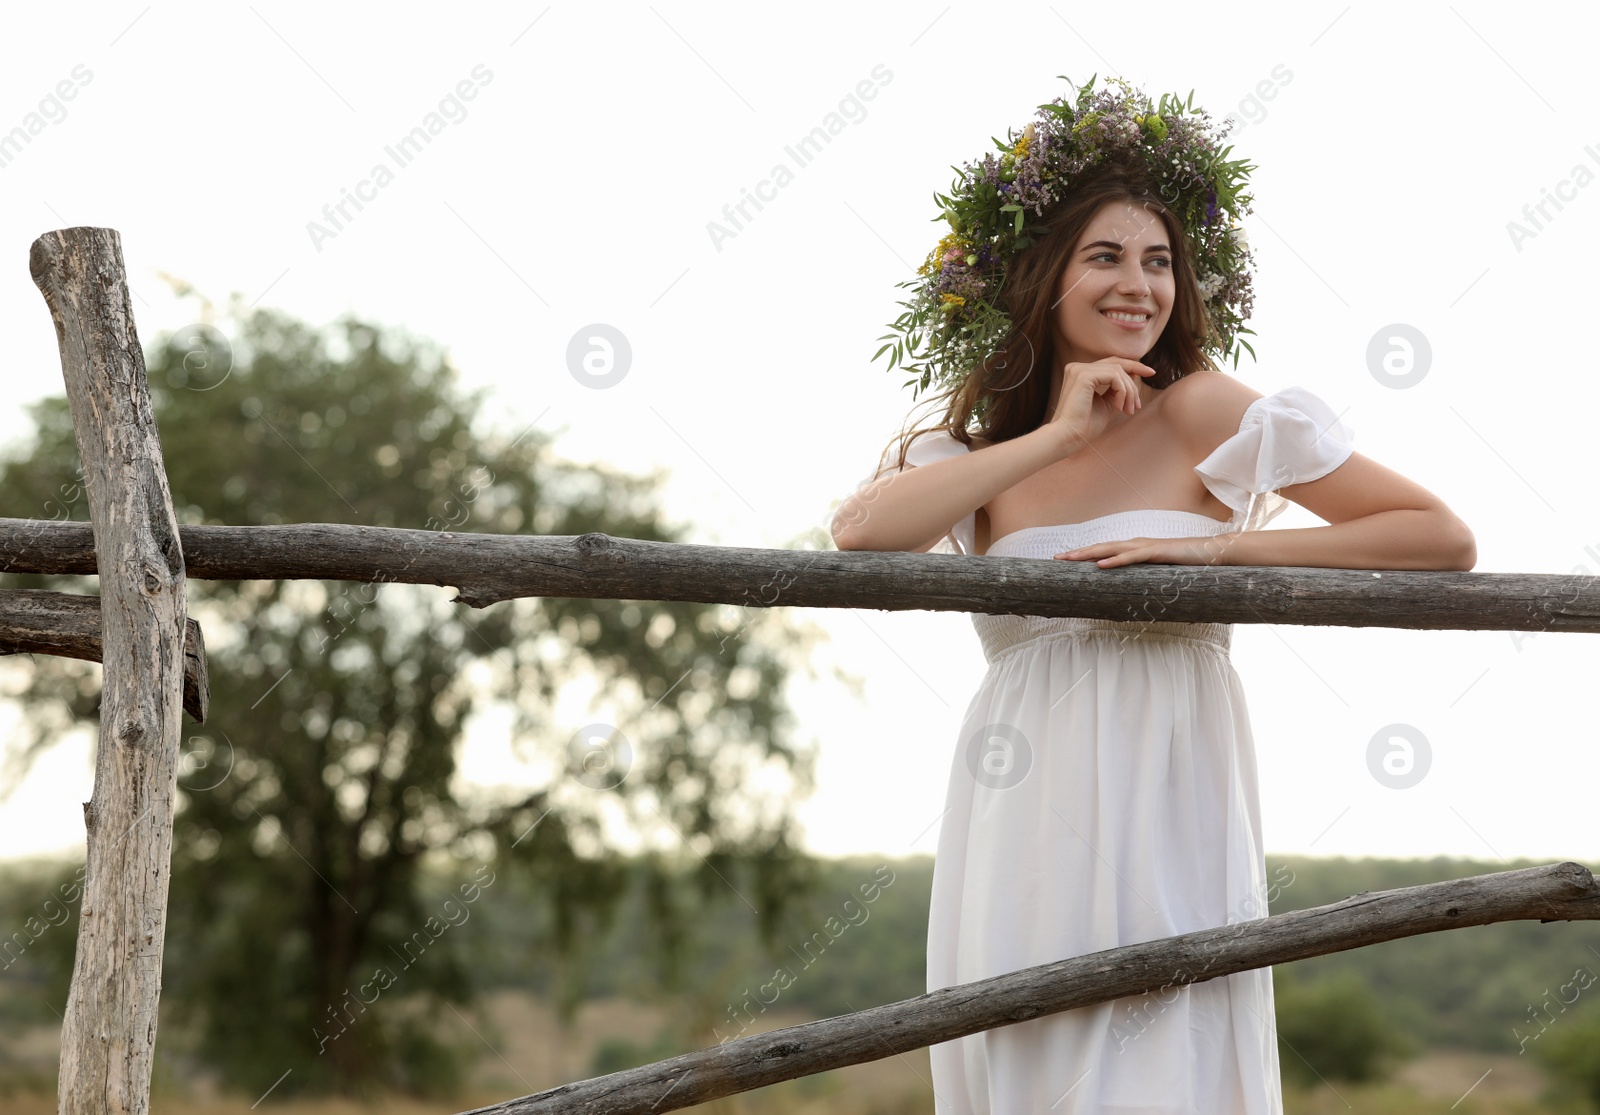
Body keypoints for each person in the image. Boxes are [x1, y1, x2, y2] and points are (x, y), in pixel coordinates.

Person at [829, 77, 1475, 1114]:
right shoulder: (974, 456)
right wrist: (1058, 434)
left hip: (1172, 788)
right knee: (1036, 1056)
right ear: (1040, 277)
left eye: (1158, 260)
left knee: (1162, 1063)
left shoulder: (1203, 409)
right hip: (1024, 808)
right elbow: (860, 531)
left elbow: (1436, 535)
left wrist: (1222, 558)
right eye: (1105, 256)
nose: (1139, 285)